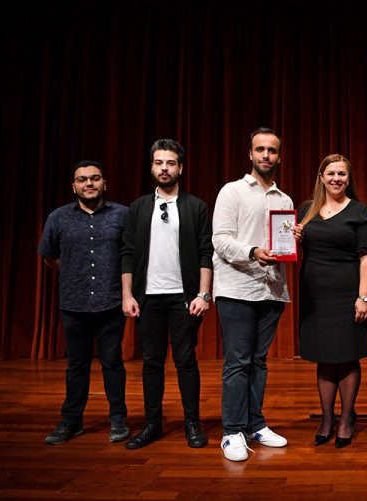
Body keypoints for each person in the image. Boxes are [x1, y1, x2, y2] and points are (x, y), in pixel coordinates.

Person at [121, 139, 213, 450]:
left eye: (170, 163)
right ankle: (152, 424)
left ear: (180, 168)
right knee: (151, 362)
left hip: (183, 298)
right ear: (151, 167)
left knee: (186, 361)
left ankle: (192, 424)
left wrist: (204, 293)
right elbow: (128, 253)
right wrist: (128, 295)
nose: (164, 168)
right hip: (148, 298)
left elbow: (205, 252)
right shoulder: (138, 207)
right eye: (159, 162)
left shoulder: (195, 206)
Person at [212, 127, 293, 462]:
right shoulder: (232, 192)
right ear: (249, 154)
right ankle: (232, 431)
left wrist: (292, 239)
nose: (265, 155)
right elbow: (220, 239)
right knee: (237, 363)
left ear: (278, 156)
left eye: (272, 151)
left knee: (258, 362)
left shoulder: (284, 200)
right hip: (237, 289)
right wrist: (254, 250)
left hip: (270, 291)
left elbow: (282, 246)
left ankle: (254, 424)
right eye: (260, 149)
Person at [39, 160, 129, 445]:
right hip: (74, 302)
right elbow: (49, 256)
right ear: (74, 186)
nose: (88, 184)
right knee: (76, 365)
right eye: (82, 180)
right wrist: (75, 272)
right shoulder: (58, 217)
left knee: (113, 364)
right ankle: (72, 421)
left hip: (111, 301)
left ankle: (118, 418)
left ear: (105, 184)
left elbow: (132, 255)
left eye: (94, 178)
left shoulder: (123, 216)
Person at [297, 154, 367, 449]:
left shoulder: (359, 212)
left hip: (348, 295)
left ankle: (346, 419)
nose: (336, 179)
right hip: (315, 298)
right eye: (330, 173)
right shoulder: (306, 212)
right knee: (324, 356)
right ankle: (327, 418)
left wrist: (363, 297)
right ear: (321, 176)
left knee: (347, 355)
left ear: (348, 178)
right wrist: (290, 238)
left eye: (342, 174)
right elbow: (287, 250)